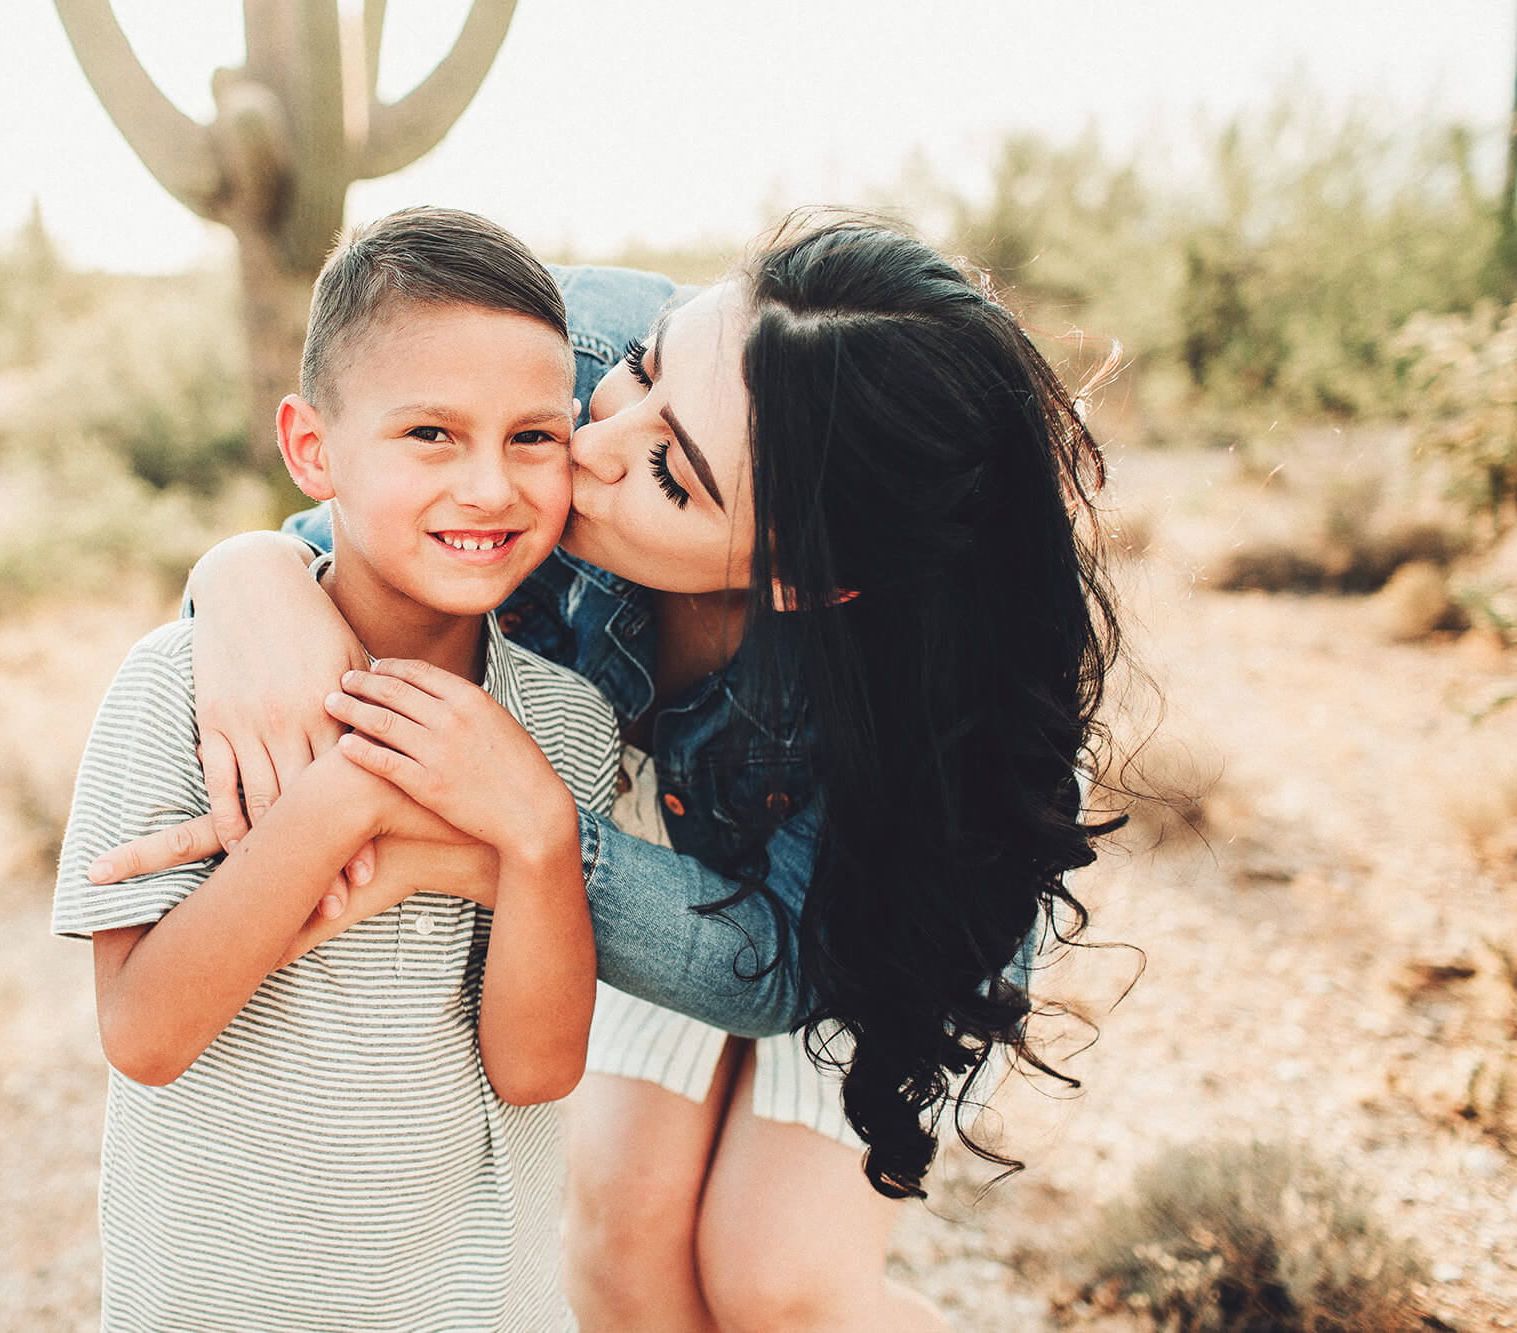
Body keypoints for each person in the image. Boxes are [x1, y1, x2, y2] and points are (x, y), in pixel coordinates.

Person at [93, 210, 1121, 1331]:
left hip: (882, 887)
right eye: (641, 369)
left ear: (802, 581)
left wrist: (502, 843)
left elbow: (771, 968)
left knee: (776, 1282)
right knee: (622, 1244)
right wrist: (246, 570)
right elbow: (364, 497)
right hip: (647, 834)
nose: (587, 445)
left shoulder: (928, 706)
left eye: (668, 473)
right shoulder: (563, 351)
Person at [52, 206, 623, 1330]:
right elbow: (145, 1035)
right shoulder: (175, 690)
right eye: (430, 436)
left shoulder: (562, 724)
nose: (489, 487)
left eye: (531, 437)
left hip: (468, 1304)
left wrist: (538, 833)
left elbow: (536, 1067)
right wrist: (359, 786)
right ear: (312, 448)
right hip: (221, 1302)